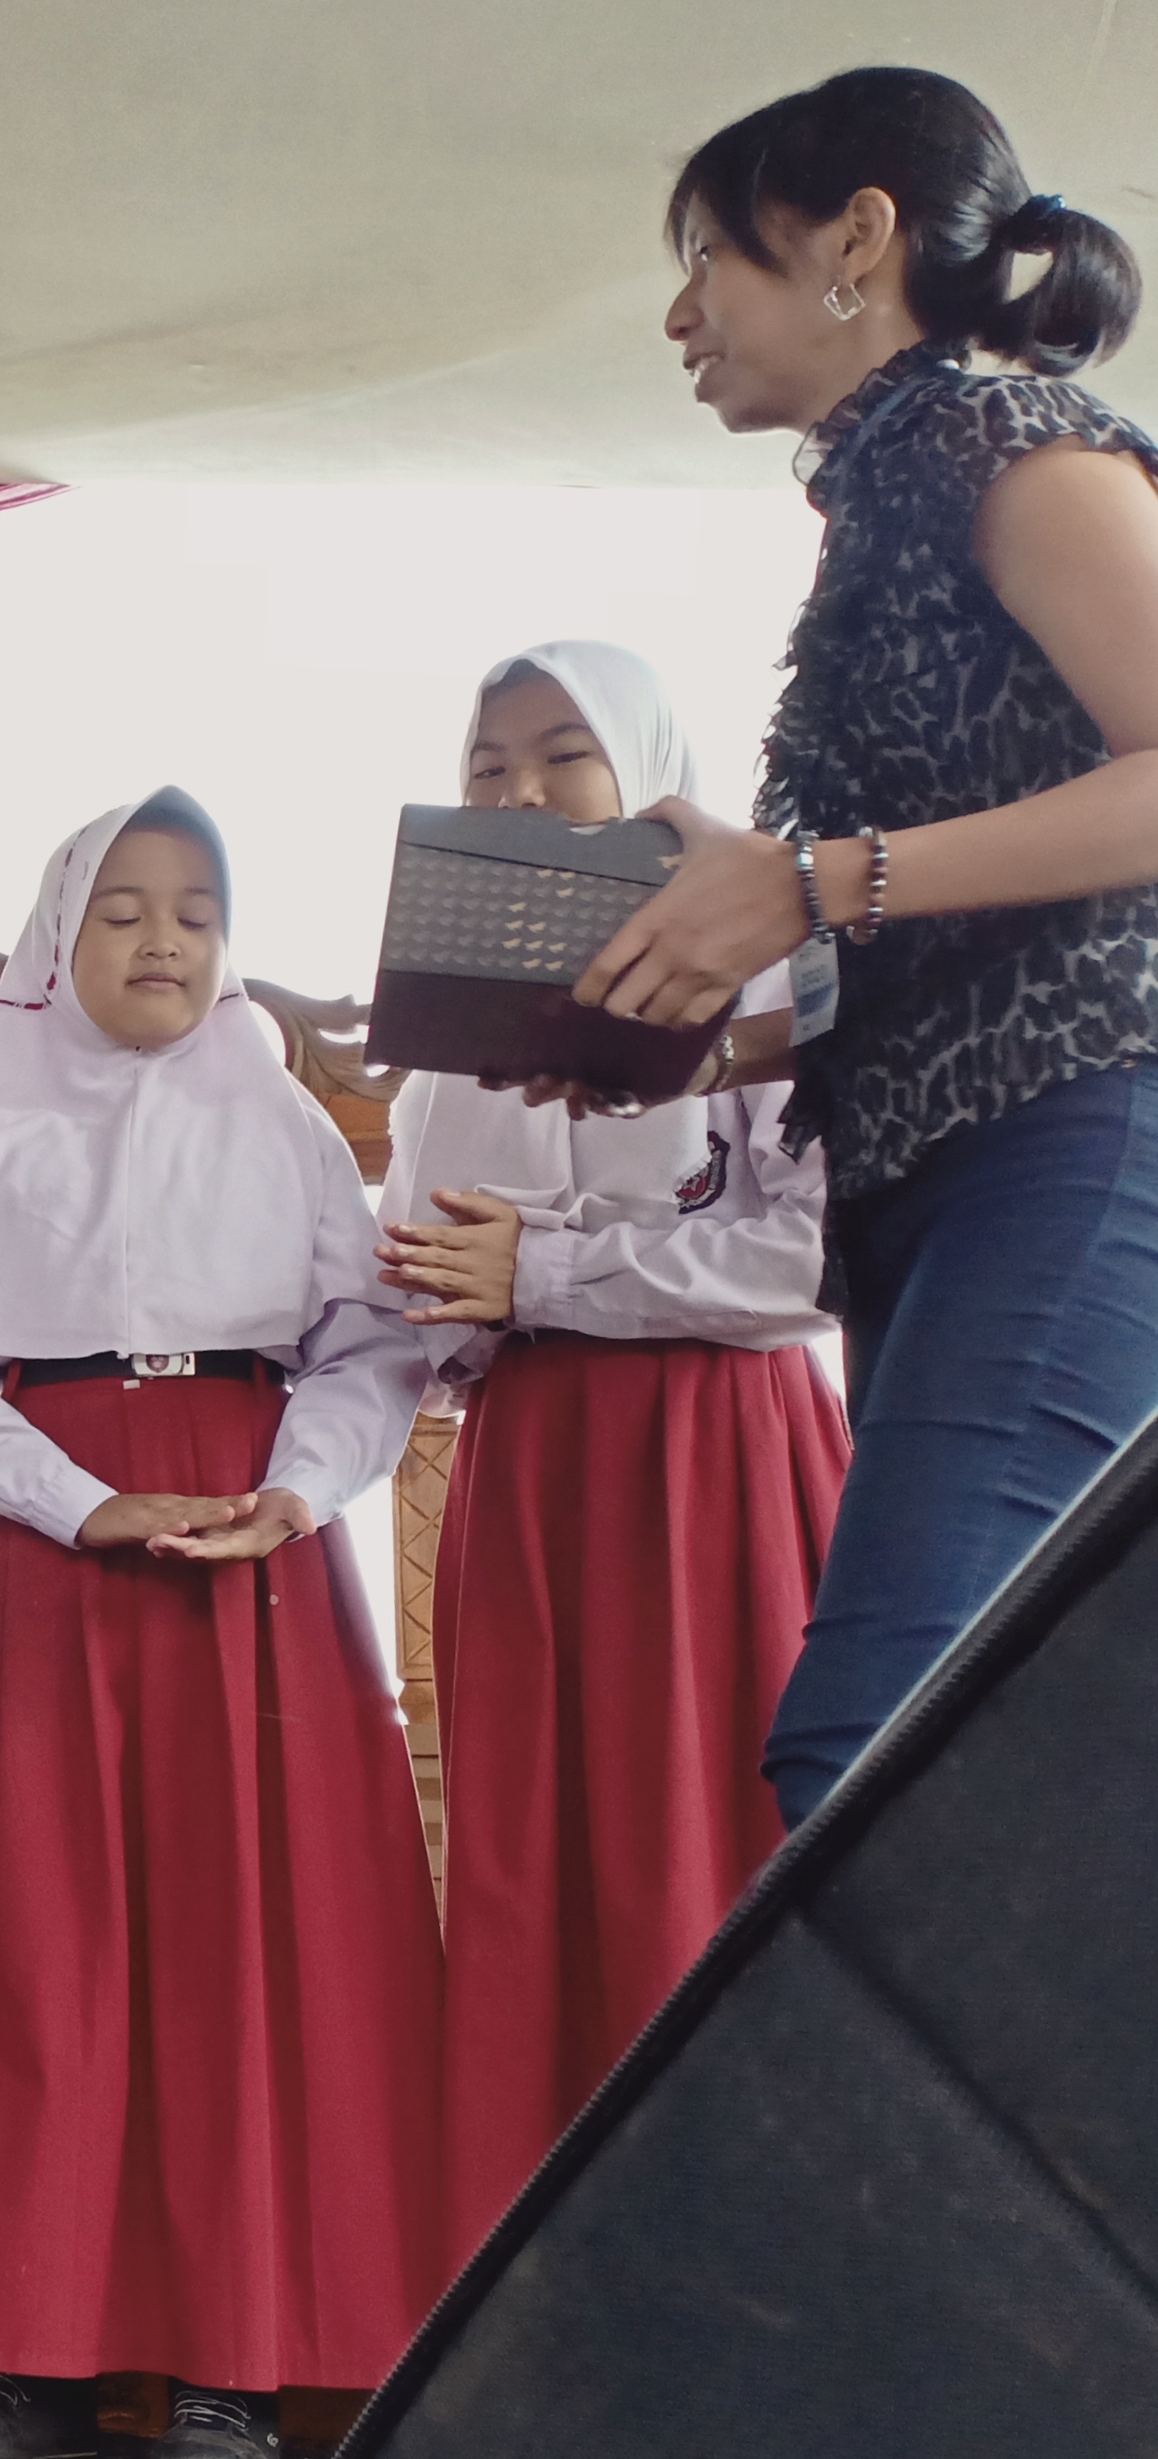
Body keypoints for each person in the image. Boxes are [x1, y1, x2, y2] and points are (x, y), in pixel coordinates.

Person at [573, 70, 1158, 1824]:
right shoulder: (886, 488)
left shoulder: (1009, 440)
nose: (677, 315)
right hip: (933, 1177)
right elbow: (959, 912)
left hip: (1076, 1136)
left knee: (871, 1753)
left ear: (856, 237)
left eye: (706, 258)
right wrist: (699, 1035)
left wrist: (813, 879)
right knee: (995, 1772)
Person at [0, 792, 442, 2459]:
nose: (161, 941)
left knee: (241, 1938)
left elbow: (366, 1345)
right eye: (120, 909)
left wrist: (296, 1489)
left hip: (243, 1533)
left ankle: (232, 2366)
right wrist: (74, 1499)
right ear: (59, 935)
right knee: (29, 1933)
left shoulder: (283, 1125)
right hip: (39, 1540)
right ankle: (27, 2355)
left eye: (195, 910)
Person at [373, 647, 846, 2264]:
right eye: (485, 764)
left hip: (724, 1462)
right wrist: (456, 1299)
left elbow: (815, 1257)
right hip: (533, 1478)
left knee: (726, 1840)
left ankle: (777, 2254)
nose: (517, 792)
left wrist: (550, 1267)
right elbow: (428, 1285)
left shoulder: (766, 970)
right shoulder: (441, 1051)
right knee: (539, 1871)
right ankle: (559, 2290)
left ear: (644, 770)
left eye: (560, 754)